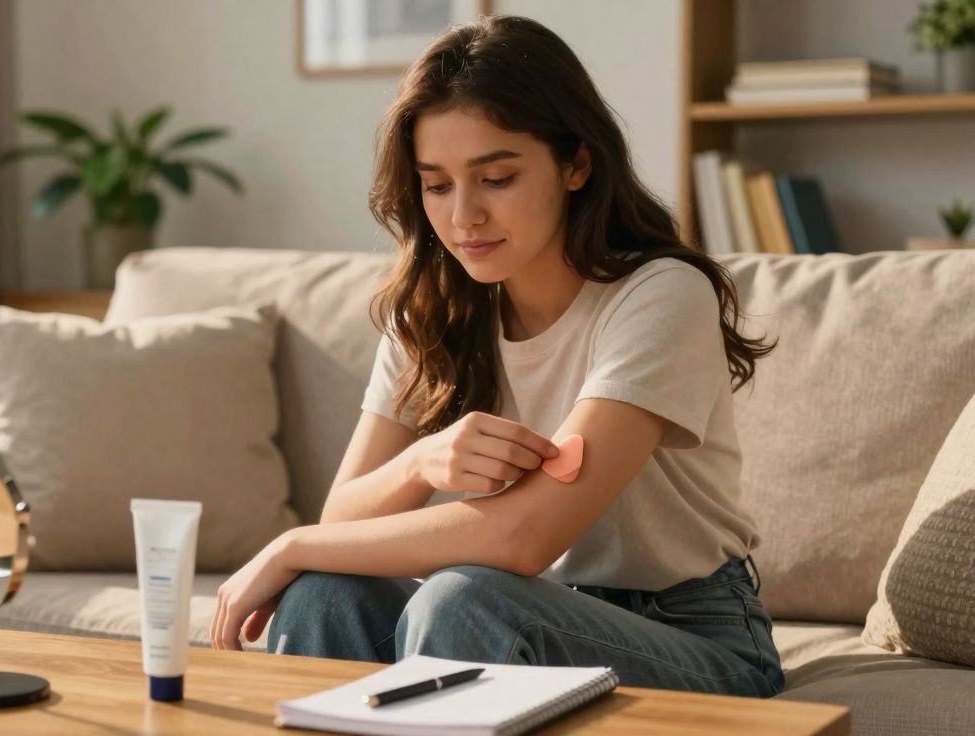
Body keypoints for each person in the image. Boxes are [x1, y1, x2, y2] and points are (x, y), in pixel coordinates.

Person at [209, 14, 785, 698]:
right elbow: (346, 523)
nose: (463, 218)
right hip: (516, 617)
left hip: (691, 639)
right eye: (438, 184)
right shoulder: (429, 310)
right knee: (323, 595)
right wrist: (422, 459)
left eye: (496, 178)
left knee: (461, 601)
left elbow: (526, 537)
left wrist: (287, 544)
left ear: (576, 164)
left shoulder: (659, 296)